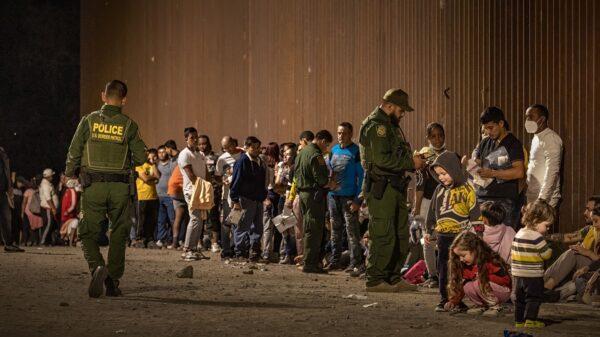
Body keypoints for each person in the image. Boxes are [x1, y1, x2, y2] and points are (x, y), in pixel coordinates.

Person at [65, 80, 146, 297]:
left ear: (103, 96)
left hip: (93, 187)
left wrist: (70, 173)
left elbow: (74, 151)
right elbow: (141, 157)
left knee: (86, 233)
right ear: (124, 100)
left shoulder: (88, 121)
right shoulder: (129, 125)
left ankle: (97, 267)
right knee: (119, 234)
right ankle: (112, 281)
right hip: (120, 188)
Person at [358, 88, 424, 292]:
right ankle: (376, 279)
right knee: (383, 232)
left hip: (395, 186)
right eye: (401, 109)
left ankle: (393, 277)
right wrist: (410, 162)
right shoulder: (376, 126)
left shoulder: (391, 125)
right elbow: (381, 159)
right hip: (382, 186)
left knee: (400, 233)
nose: (403, 113)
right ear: (389, 106)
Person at [424, 151, 484, 311]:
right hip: (443, 237)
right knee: (443, 269)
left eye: (444, 173)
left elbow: (475, 211)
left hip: (460, 238)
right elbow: (431, 212)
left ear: (454, 170)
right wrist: (429, 230)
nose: (441, 177)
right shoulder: (439, 190)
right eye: (438, 175)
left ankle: (457, 301)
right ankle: (444, 299)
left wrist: (478, 232)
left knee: (459, 271)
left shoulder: (467, 190)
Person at [475, 107, 525, 229]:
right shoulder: (485, 142)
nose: (488, 132)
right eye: (485, 128)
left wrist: (492, 173)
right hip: (482, 198)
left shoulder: (513, 144)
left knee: (503, 240)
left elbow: (519, 172)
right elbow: (479, 163)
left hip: (503, 202)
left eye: (491, 128)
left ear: (501, 123)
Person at [295, 130, 336, 273]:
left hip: (303, 194)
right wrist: (331, 183)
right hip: (314, 195)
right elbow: (322, 179)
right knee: (315, 229)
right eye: (327, 145)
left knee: (307, 227)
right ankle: (310, 263)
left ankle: (308, 260)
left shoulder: (302, 152)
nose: (326, 148)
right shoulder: (316, 155)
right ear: (322, 141)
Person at [327, 122, 364, 273]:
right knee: (334, 230)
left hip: (349, 197)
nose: (341, 136)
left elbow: (362, 177)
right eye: (339, 133)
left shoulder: (356, 152)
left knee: (352, 231)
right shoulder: (333, 150)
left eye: (344, 133)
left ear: (351, 134)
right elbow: (329, 171)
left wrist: (358, 200)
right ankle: (335, 260)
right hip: (333, 197)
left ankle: (356, 262)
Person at [511, 199, 555, 328]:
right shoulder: (537, 237)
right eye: (546, 225)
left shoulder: (519, 233)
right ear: (536, 220)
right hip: (533, 275)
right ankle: (530, 320)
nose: (547, 229)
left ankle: (519, 321)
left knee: (520, 300)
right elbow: (546, 255)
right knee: (534, 298)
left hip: (518, 274)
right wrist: (549, 247)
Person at [446, 231, 512, 316]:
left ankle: (496, 306)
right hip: (484, 289)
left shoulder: (490, 261)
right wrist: (454, 301)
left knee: (478, 283)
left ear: (474, 250)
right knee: (467, 285)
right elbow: (461, 286)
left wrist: (485, 278)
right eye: (459, 257)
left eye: (463, 255)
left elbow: (506, 281)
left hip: (502, 291)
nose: (461, 259)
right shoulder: (466, 266)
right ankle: (481, 305)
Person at [414, 122, 446, 287]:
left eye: (440, 135)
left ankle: (444, 274)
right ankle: (432, 275)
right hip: (427, 204)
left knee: (444, 240)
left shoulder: (449, 156)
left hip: (445, 203)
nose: (438, 139)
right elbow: (419, 186)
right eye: (433, 136)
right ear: (428, 138)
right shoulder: (422, 158)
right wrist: (417, 207)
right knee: (428, 240)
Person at [544, 196, 600, 291]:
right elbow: (567, 237)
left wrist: (586, 252)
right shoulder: (590, 229)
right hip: (589, 265)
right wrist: (544, 237)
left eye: (589, 210)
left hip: (595, 267)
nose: (585, 213)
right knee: (572, 251)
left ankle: (546, 287)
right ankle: (541, 283)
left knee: (573, 253)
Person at [230, 136, 268, 261]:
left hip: (257, 199)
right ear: (247, 147)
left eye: (258, 147)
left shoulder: (259, 161)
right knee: (241, 227)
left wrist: (263, 196)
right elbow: (235, 182)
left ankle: (254, 253)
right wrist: (235, 201)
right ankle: (239, 252)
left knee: (258, 228)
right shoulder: (242, 161)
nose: (257, 150)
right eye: (254, 147)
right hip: (244, 199)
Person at [177, 127, 209, 261]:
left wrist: (208, 186)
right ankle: (187, 249)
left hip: (202, 190)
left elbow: (206, 172)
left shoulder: (200, 154)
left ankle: (194, 249)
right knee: (195, 218)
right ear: (186, 139)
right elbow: (190, 175)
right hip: (191, 190)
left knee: (200, 219)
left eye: (196, 137)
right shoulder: (184, 154)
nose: (195, 140)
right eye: (192, 138)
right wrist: (202, 186)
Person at [285, 130, 315, 265]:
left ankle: (307, 257)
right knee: (298, 229)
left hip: (308, 196)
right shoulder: (299, 161)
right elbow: (295, 181)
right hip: (300, 196)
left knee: (307, 228)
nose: (299, 149)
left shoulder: (314, 156)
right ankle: (301, 256)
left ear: (304, 141)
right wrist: (290, 198)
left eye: (300, 146)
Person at [525, 104, 563, 208]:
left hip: (546, 199)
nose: (527, 120)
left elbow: (552, 171)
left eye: (531, 117)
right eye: (526, 117)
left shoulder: (551, 139)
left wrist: (542, 199)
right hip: (532, 194)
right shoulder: (536, 137)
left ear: (542, 119)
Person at [215, 136, 243, 259]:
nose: (227, 150)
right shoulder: (222, 159)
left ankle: (235, 248)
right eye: (224, 148)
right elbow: (216, 176)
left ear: (234, 143)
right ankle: (226, 250)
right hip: (227, 196)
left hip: (241, 195)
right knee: (227, 223)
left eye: (228, 147)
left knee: (237, 222)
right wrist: (222, 181)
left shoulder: (243, 155)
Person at [198, 135, 221, 253]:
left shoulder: (215, 157)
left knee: (213, 216)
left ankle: (214, 243)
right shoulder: (195, 157)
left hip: (213, 191)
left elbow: (219, 174)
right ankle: (199, 242)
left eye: (204, 143)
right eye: (200, 144)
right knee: (199, 217)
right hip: (199, 190)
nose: (202, 146)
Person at [275, 146, 297, 264]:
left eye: (288, 154)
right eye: (284, 154)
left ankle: (291, 254)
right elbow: (277, 184)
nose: (285, 156)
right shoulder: (282, 167)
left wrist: (283, 188)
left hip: (291, 201)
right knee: (283, 228)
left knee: (292, 229)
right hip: (282, 199)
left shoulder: (295, 168)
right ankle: (286, 254)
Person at [135, 148, 160, 248]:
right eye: (151, 156)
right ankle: (139, 239)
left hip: (153, 197)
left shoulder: (153, 166)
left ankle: (150, 239)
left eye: (154, 156)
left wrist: (153, 166)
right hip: (142, 196)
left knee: (151, 220)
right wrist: (152, 177)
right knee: (142, 220)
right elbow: (145, 178)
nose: (152, 158)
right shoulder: (139, 166)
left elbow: (158, 176)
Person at [262, 142, 283, 262]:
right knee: (279, 226)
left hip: (270, 196)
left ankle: (267, 252)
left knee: (268, 226)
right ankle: (275, 252)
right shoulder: (279, 164)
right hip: (278, 196)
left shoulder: (268, 165)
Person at [165, 140, 187, 249]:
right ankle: (180, 242)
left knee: (179, 217)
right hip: (179, 189)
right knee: (182, 217)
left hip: (175, 188)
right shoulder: (183, 158)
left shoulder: (179, 158)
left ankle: (176, 242)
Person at [0, 146, 23, 252]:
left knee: (6, 217)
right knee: (5, 217)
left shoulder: (3, 156)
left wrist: (9, 189)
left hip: (2, 191)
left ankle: (8, 244)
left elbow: (6, 173)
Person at [156, 145, 176, 247]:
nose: (161, 154)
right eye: (159, 152)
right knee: (161, 220)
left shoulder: (172, 163)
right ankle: (161, 239)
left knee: (172, 219)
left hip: (170, 196)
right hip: (159, 196)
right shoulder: (156, 165)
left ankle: (173, 240)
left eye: (163, 152)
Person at [39, 168, 59, 245]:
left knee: (50, 224)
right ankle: (43, 241)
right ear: (48, 176)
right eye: (51, 176)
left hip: (49, 208)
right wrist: (53, 208)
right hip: (48, 208)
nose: (52, 177)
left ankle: (47, 241)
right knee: (48, 224)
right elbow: (48, 198)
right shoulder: (45, 185)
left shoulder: (47, 183)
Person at [22, 176, 43, 246]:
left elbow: (24, 202)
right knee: (36, 228)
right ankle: (35, 241)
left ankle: (25, 241)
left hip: (28, 212)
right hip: (36, 212)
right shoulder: (39, 191)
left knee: (26, 227)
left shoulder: (27, 191)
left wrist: (22, 212)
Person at [60, 179, 80, 246]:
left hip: (68, 214)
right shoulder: (69, 191)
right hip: (67, 214)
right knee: (65, 228)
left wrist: (67, 211)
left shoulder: (72, 191)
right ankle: (68, 241)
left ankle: (71, 242)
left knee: (71, 226)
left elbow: (73, 204)